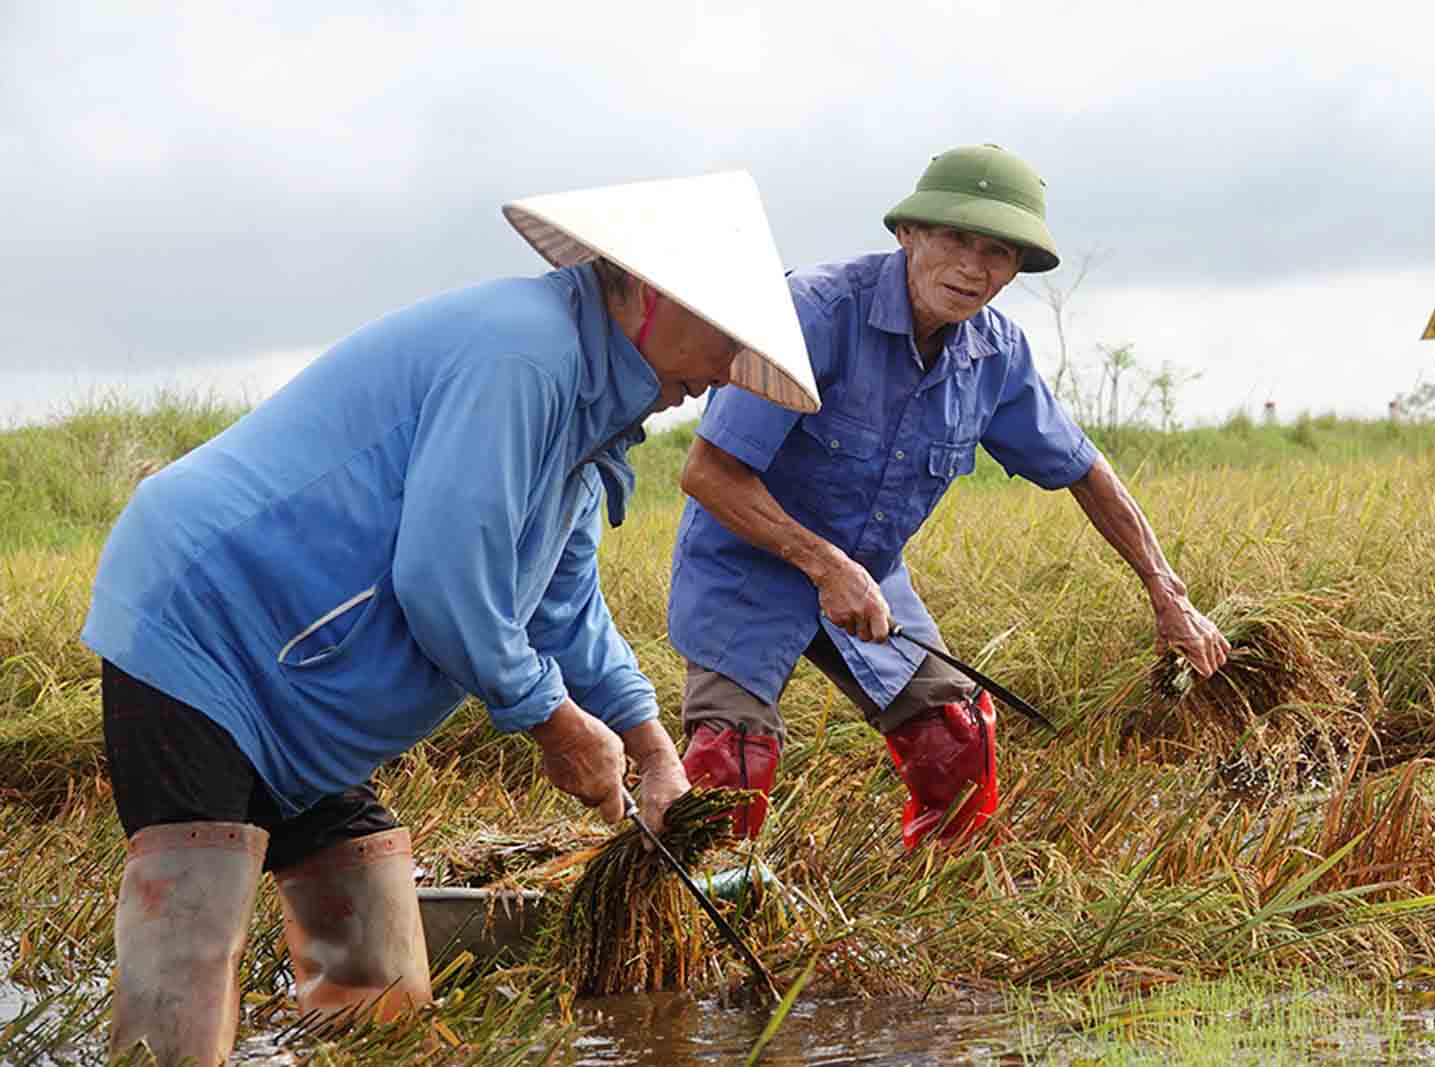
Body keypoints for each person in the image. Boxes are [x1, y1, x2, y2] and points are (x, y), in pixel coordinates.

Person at [81, 170, 820, 1066]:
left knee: (378, 972)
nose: (720, 375)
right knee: (188, 953)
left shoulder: (589, 430)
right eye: (723, 339)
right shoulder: (524, 355)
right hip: (207, 626)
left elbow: (562, 607)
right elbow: (442, 582)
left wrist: (650, 746)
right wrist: (554, 725)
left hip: (306, 699)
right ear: (651, 294)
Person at [667, 144, 1231, 849]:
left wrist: (1166, 591)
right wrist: (822, 565)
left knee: (957, 742)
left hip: (869, 573)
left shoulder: (995, 356)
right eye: (955, 238)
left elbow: (1085, 469)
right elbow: (708, 473)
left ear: (1016, 269)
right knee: (731, 773)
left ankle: (926, 914)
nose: (973, 266)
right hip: (745, 562)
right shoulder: (814, 312)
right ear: (908, 233)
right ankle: (689, 926)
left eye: (998, 252)